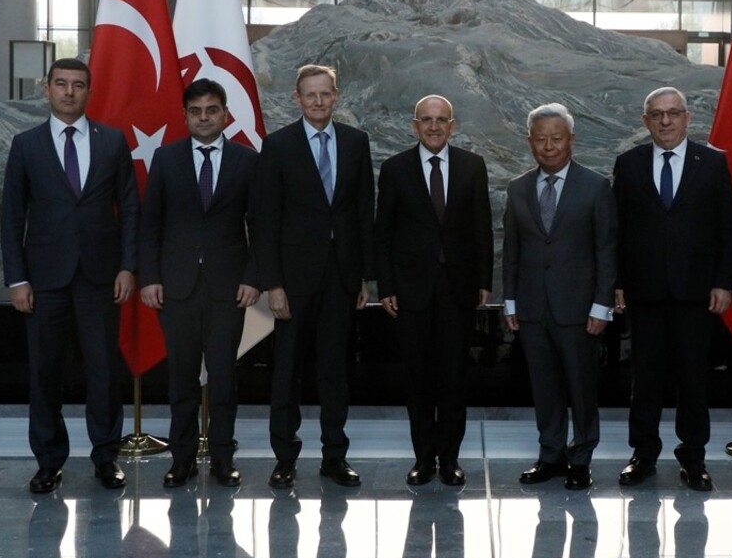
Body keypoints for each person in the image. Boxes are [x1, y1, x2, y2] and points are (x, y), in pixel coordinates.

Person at [0, 58, 138, 493]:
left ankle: (105, 458)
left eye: (78, 85)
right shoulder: (26, 145)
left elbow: (131, 209)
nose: (69, 92)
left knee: (102, 372)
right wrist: (17, 280)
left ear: (88, 91)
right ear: (48, 90)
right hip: (44, 282)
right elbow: (11, 217)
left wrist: (128, 266)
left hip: (100, 278)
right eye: (61, 84)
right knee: (45, 373)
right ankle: (48, 462)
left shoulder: (113, 142)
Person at [611, 86, 732, 491]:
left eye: (673, 113)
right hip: (644, 292)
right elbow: (617, 230)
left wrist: (723, 282)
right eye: (656, 114)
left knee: (693, 379)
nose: (665, 121)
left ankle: (694, 458)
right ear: (645, 120)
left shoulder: (713, 163)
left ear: (687, 118)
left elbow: (727, 230)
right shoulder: (628, 164)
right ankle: (643, 454)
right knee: (644, 380)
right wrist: (616, 283)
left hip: (696, 293)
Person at [253, 64, 375, 488]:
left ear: (336, 96)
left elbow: (363, 213)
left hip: (341, 278)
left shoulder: (356, 143)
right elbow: (264, 219)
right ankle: (285, 458)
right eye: (311, 95)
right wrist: (273, 283)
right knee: (287, 373)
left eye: (326, 94)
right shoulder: (278, 145)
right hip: (292, 282)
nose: (318, 101)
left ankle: (334, 458)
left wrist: (362, 276)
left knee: (334, 373)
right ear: (297, 98)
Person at [138, 78, 259, 488]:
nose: (204, 118)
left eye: (212, 110)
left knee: (224, 378)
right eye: (196, 111)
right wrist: (150, 277)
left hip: (229, 288)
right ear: (186, 115)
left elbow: (260, 225)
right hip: (176, 286)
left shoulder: (246, 160)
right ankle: (182, 459)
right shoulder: (167, 159)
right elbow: (149, 222)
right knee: (182, 380)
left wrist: (253, 277)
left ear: (225, 114)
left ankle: (223, 458)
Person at [375, 95, 494, 487]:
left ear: (452, 125)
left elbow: (481, 228)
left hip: (458, 290)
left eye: (441, 120)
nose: (434, 126)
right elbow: (384, 234)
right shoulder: (394, 169)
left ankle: (450, 459)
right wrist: (386, 285)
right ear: (414, 125)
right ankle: (423, 459)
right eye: (426, 120)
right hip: (410, 291)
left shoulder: (472, 166)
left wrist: (483, 282)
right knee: (418, 378)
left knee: (453, 378)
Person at [503, 103, 618, 490]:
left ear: (571, 140)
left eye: (556, 138)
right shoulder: (518, 188)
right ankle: (550, 455)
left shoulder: (596, 186)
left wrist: (602, 304)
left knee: (581, 388)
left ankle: (581, 457)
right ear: (529, 142)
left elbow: (606, 250)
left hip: (580, 309)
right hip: (533, 307)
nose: (548, 146)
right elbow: (513, 251)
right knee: (544, 387)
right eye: (540, 139)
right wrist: (510, 302)